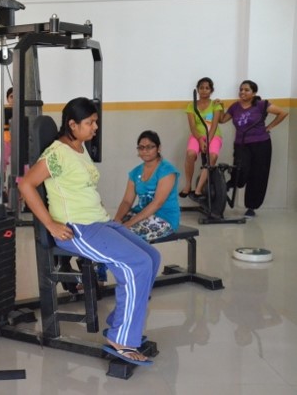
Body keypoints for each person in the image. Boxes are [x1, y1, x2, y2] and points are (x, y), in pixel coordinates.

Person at [18, 97, 160, 366]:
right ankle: (122, 338)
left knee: (151, 257)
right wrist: (50, 224)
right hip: (79, 228)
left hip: (99, 221)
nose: (95, 127)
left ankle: (122, 322)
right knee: (137, 264)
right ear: (72, 124)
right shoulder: (57, 153)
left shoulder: (79, 148)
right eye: (90, 122)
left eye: (95, 121)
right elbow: (26, 185)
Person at [220, 80, 288, 217]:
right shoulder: (235, 107)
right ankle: (233, 183)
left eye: (246, 90)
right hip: (241, 144)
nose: (242, 92)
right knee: (241, 168)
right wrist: (220, 107)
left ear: (254, 92)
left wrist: (269, 127)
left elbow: (282, 113)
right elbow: (222, 120)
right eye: (241, 89)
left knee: (258, 175)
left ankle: (251, 207)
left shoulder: (262, 104)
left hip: (261, 144)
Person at [114, 130, 180, 241]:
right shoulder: (135, 172)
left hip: (164, 218)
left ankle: (139, 253)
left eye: (149, 147)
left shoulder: (167, 170)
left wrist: (128, 224)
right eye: (141, 147)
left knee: (125, 235)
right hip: (140, 214)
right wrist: (117, 219)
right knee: (110, 230)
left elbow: (157, 203)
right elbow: (127, 201)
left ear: (158, 148)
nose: (145, 151)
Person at [181, 77, 223, 199]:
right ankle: (188, 185)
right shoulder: (191, 106)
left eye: (207, 88)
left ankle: (199, 189)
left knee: (212, 156)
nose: (204, 90)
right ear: (198, 90)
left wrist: (208, 141)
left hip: (213, 135)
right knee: (190, 154)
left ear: (211, 90)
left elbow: (214, 125)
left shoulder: (215, 105)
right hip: (197, 136)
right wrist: (200, 140)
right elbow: (193, 127)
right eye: (201, 88)